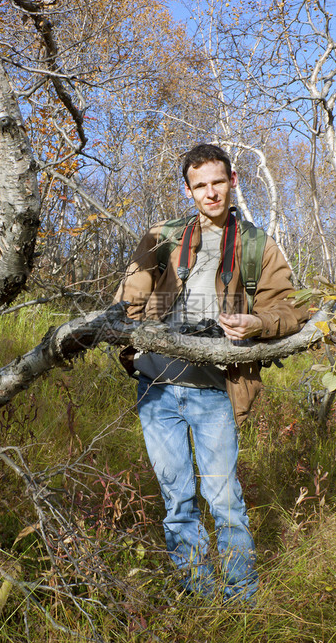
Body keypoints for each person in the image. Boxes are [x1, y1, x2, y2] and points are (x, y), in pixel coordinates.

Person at [114, 143, 308, 601]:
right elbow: (127, 305)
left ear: (233, 180)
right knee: (177, 504)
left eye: (218, 182)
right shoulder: (162, 237)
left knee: (226, 503)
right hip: (156, 389)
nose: (211, 193)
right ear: (189, 190)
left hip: (214, 391)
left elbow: (292, 309)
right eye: (200, 186)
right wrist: (138, 338)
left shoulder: (257, 245)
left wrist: (254, 323)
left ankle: (241, 600)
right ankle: (200, 597)